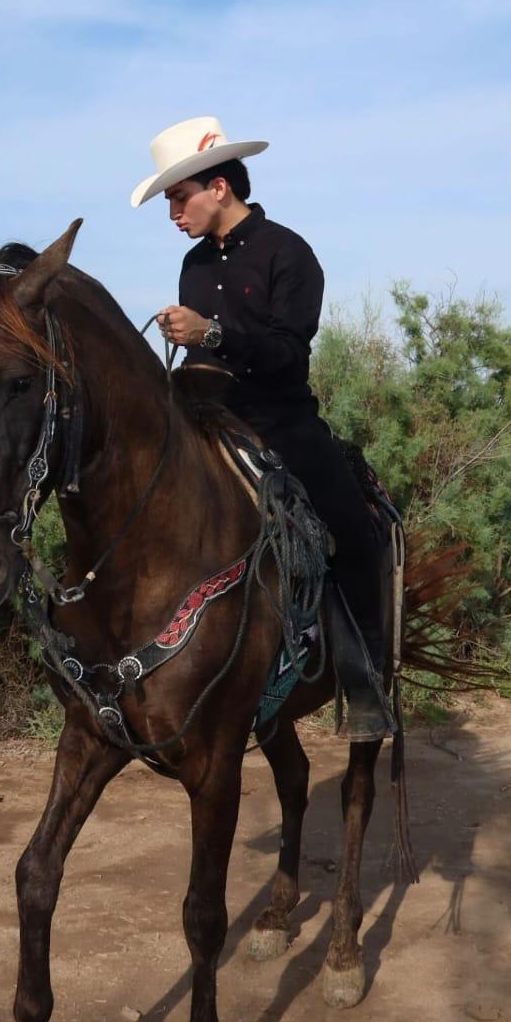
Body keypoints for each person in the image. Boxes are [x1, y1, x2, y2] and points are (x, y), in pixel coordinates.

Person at [130, 116, 388, 732]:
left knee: (354, 531)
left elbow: (288, 354)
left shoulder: (290, 254)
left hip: (282, 422)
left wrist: (211, 331)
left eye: (177, 196)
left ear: (218, 186)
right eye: (169, 200)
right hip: (207, 422)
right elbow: (201, 360)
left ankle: (366, 683)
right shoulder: (194, 266)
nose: (173, 212)